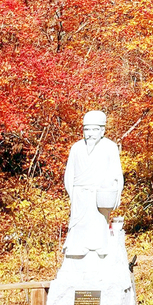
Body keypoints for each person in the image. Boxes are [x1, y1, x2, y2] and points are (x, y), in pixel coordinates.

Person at [63, 110, 124, 257]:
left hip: (100, 194)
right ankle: (77, 248)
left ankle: (99, 247)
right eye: (87, 129)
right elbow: (69, 173)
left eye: (95, 129)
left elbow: (116, 173)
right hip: (80, 194)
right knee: (79, 224)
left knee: (99, 221)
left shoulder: (110, 147)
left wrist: (116, 193)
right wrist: (73, 194)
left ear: (102, 131)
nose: (90, 133)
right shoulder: (76, 148)